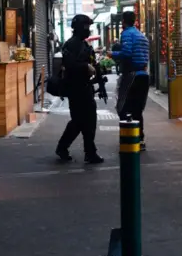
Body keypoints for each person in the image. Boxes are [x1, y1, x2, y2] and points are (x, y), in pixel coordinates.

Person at [55, 14, 104, 164]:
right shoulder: (71, 44)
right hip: (75, 89)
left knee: (83, 121)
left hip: (85, 87)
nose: (88, 30)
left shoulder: (83, 44)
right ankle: (88, 152)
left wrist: (100, 81)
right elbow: (70, 65)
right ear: (79, 27)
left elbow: (92, 64)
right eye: (86, 27)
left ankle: (70, 148)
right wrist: (85, 66)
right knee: (82, 121)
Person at [108, 11, 150, 152]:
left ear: (123, 22)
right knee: (137, 109)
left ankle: (127, 138)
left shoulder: (127, 33)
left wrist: (111, 54)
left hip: (131, 75)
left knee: (123, 106)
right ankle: (140, 139)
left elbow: (126, 53)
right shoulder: (142, 36)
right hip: (144, 75)